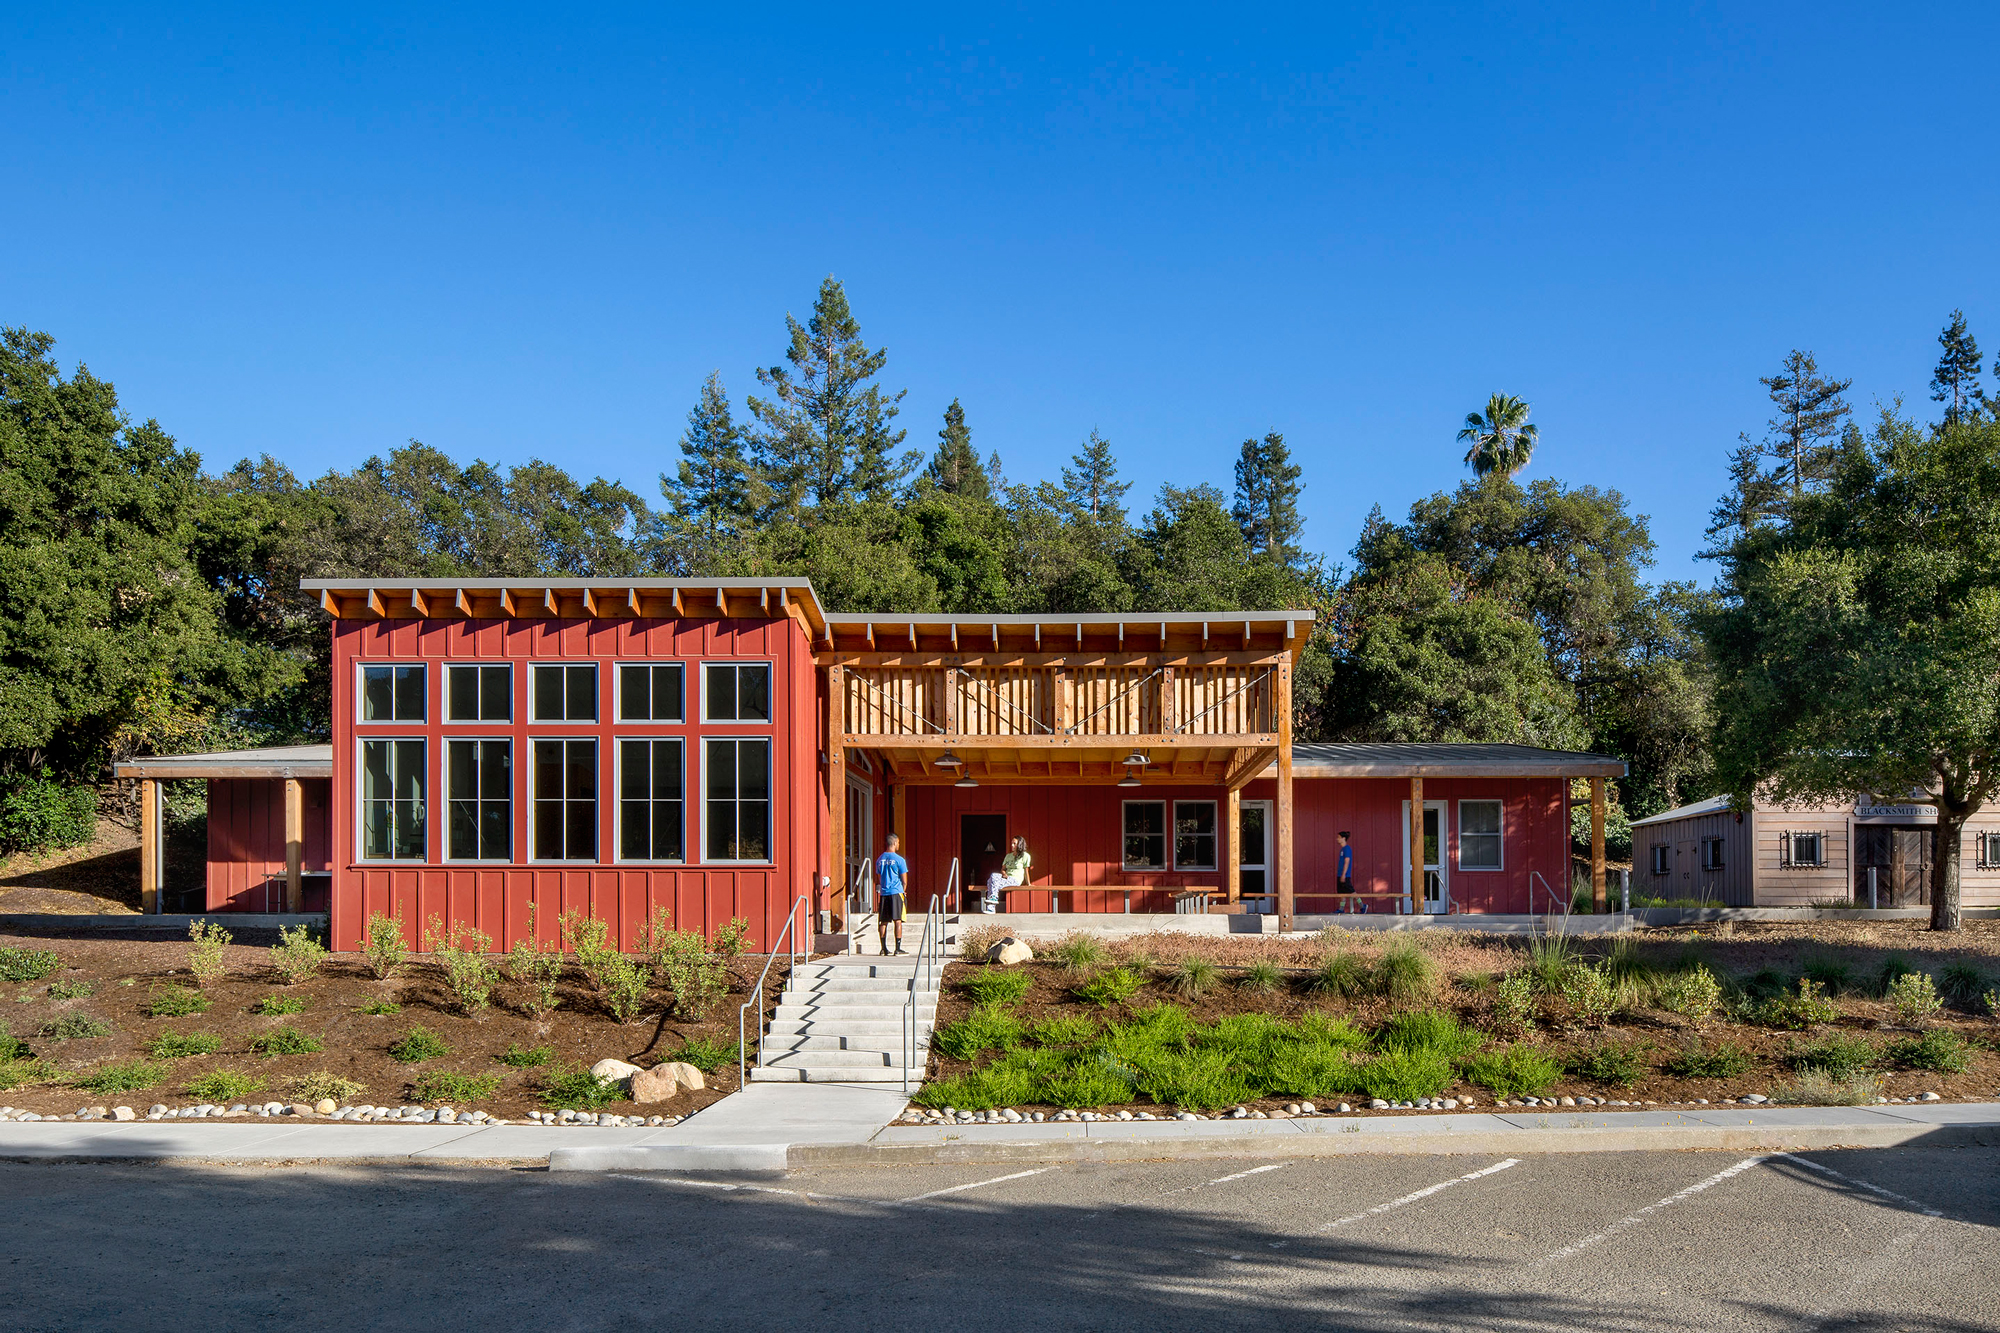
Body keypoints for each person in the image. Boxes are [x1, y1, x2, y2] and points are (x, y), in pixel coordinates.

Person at [874, 834, 910, 954]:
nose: (898, 845)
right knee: (898, 920)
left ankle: (883, 948)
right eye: (898, 843)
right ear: (894, 843)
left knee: (883, 921)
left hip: (884, 893)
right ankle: (898, 948)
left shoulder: (880, 860)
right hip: (896, 892)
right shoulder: (899, 860)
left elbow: (879, 877)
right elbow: (904, 879)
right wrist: (903, 890)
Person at [983, 835, 1030, 913]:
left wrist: (1029, 884)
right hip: (1006, 878)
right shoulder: (1008, 856)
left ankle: (991, 906)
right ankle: (993, 900)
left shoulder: (1025, 856)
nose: (1012, 845)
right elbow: (1003, 869)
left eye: (1014, 843)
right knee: (992, 877)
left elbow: (1026, 870)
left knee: (991, 883)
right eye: (1012, 843)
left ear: (1019, 844)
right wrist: (1004, 874)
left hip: (1015, 879)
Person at [1335, 831, 1355, 913]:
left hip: (1345, 875)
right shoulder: (1342, 849)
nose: (1337, 839)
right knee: (1341, 892)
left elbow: (1347, 861)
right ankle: (1341, 909)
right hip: (1340, 874)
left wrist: (1343, 874)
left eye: (1339, 837)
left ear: (1344, 838)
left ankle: (1362, 905)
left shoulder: (1347, 849)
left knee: (1352, 891)